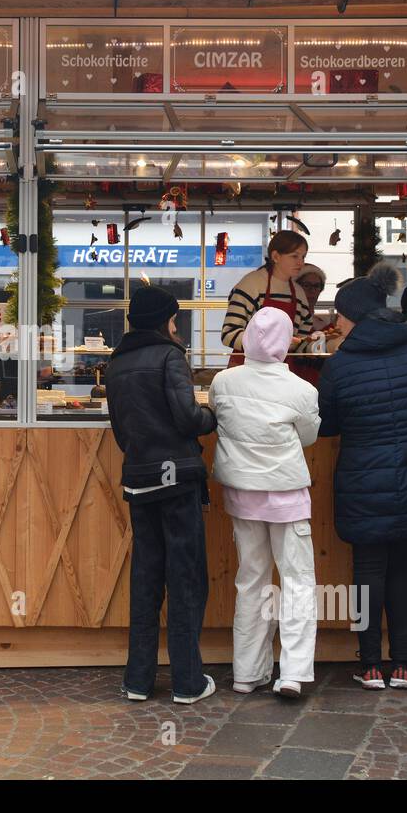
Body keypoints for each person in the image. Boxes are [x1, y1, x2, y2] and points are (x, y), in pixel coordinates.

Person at [317, 261, 407, 690]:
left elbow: (327, 425)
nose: (336, 322)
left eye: (340, 315)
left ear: (355, 316)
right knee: (401, 570)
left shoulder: (340, 366)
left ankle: (371, 663)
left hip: (363, 485)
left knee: (367, 572)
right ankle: (404, 664)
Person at [106, 285, 218, 705]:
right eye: (174, 319)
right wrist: (213, 415)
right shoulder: (170, 357)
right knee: (185, 578)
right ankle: (188, 682)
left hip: (139, 479)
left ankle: (138, 680)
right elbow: (189, 418)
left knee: (146, 579)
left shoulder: (117, 363)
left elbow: (120, 431)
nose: (176, 326)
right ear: (162, 320)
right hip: (176, 481)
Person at [211, 306, 320, 699]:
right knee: (297, 582)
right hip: (287, 498)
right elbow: (308, 437)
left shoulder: (223, 382)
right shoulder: (301, 390)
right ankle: (292, 672)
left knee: (251, 581)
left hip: (242, 497)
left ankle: (246, 672)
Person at [221, 229, 314, 361]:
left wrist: (317, 343)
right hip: (246, 370)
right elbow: (228, 334)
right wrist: (271, 345)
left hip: (282, 372)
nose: (301, 263)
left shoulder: (299, 294)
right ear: (275, 256)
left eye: (303, 257)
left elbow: (300, 342)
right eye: (295, 256)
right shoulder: (251, 284)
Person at [296, 264, 332, 332]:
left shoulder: (324, 325)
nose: (312, 290)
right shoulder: (290, 320)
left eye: (316, 286)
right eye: (306, 285)